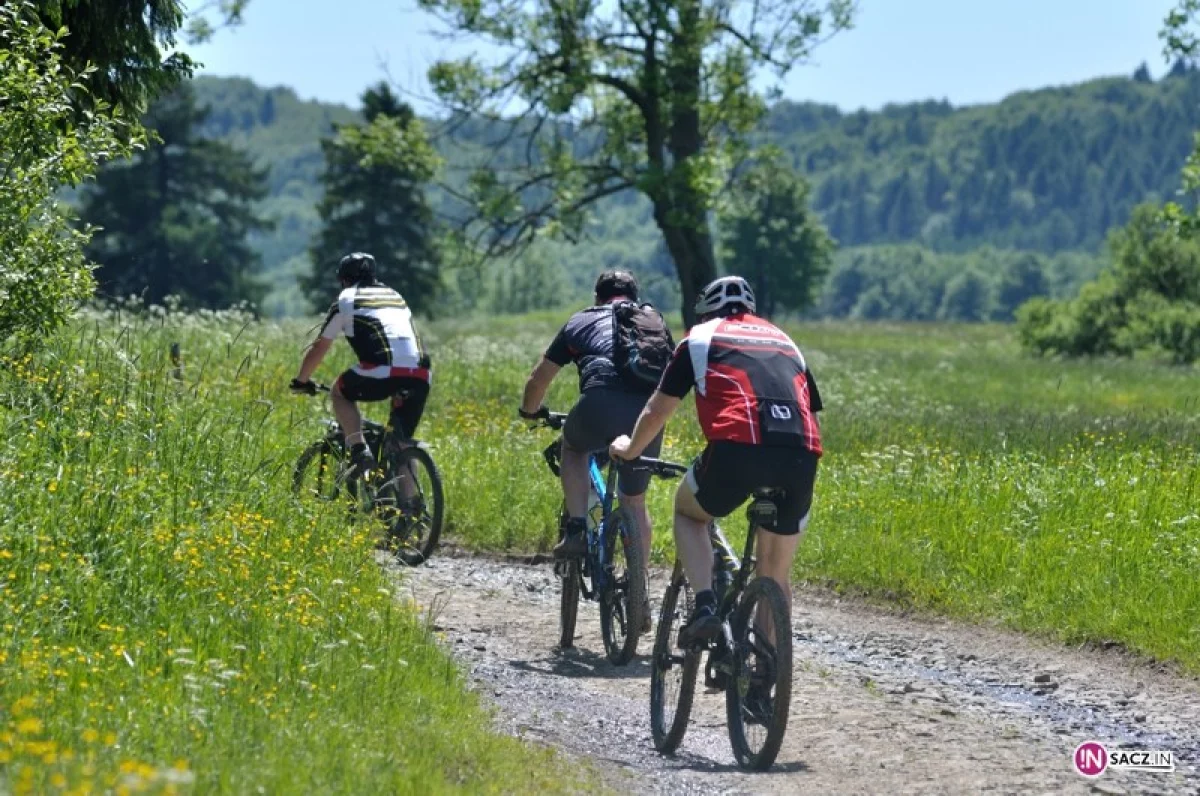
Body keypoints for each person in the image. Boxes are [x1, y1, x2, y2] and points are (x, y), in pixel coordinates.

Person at [609, 275, 822, 648]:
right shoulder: (785, 341)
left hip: (736, 446)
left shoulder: (700, 337)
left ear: (706, 311)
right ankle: (763, 679)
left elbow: (658, 411)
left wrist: (630, 449)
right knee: (774, 572)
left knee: (689, 514)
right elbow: (809, 408)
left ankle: (705, 606)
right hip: (802, 453)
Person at [518, 270, 668, 575]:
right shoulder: (653, 323)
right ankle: (638, 589)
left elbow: (539, 379)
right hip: (648, 414)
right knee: (635, 502)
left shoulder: (581, 320)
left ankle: (575, 529)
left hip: (598, 403)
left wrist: (529, 412)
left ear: (597, 297)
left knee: (573, 448)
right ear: (635, 298)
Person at [290, 252, 431, 476]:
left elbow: (320, 347)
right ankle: (408, 507)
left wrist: (301, 381)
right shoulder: (394, 296)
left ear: (343, 279)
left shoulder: (346, 299)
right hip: (420, 373)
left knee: (339, 392)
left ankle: (359, 448)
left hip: (384, 368)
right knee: (399, 444)